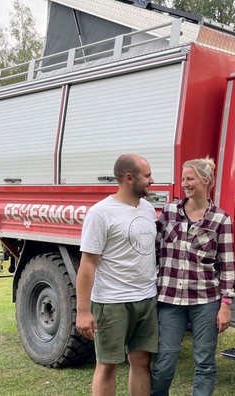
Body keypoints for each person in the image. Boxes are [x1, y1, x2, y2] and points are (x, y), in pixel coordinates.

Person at [151, 157, 235, 396]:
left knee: (205, 362)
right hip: (169, 300)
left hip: (206, 301)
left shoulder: (221, 219)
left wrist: (226, 305)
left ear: (206, 181)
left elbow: (227, 265)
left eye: (190, 178)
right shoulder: (168, 212)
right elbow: (153, 250)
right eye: (183, 178)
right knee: (165, 360)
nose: (184, 183)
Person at [76, 154, 159, 396]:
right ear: (129, 178)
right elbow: (88, 265)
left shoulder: (148, 208)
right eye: (147, 175)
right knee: (108, 365)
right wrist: (82, 312)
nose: (151, 180)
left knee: (142, 362)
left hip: (146, 298)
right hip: (112, 301)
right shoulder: (101, 213)